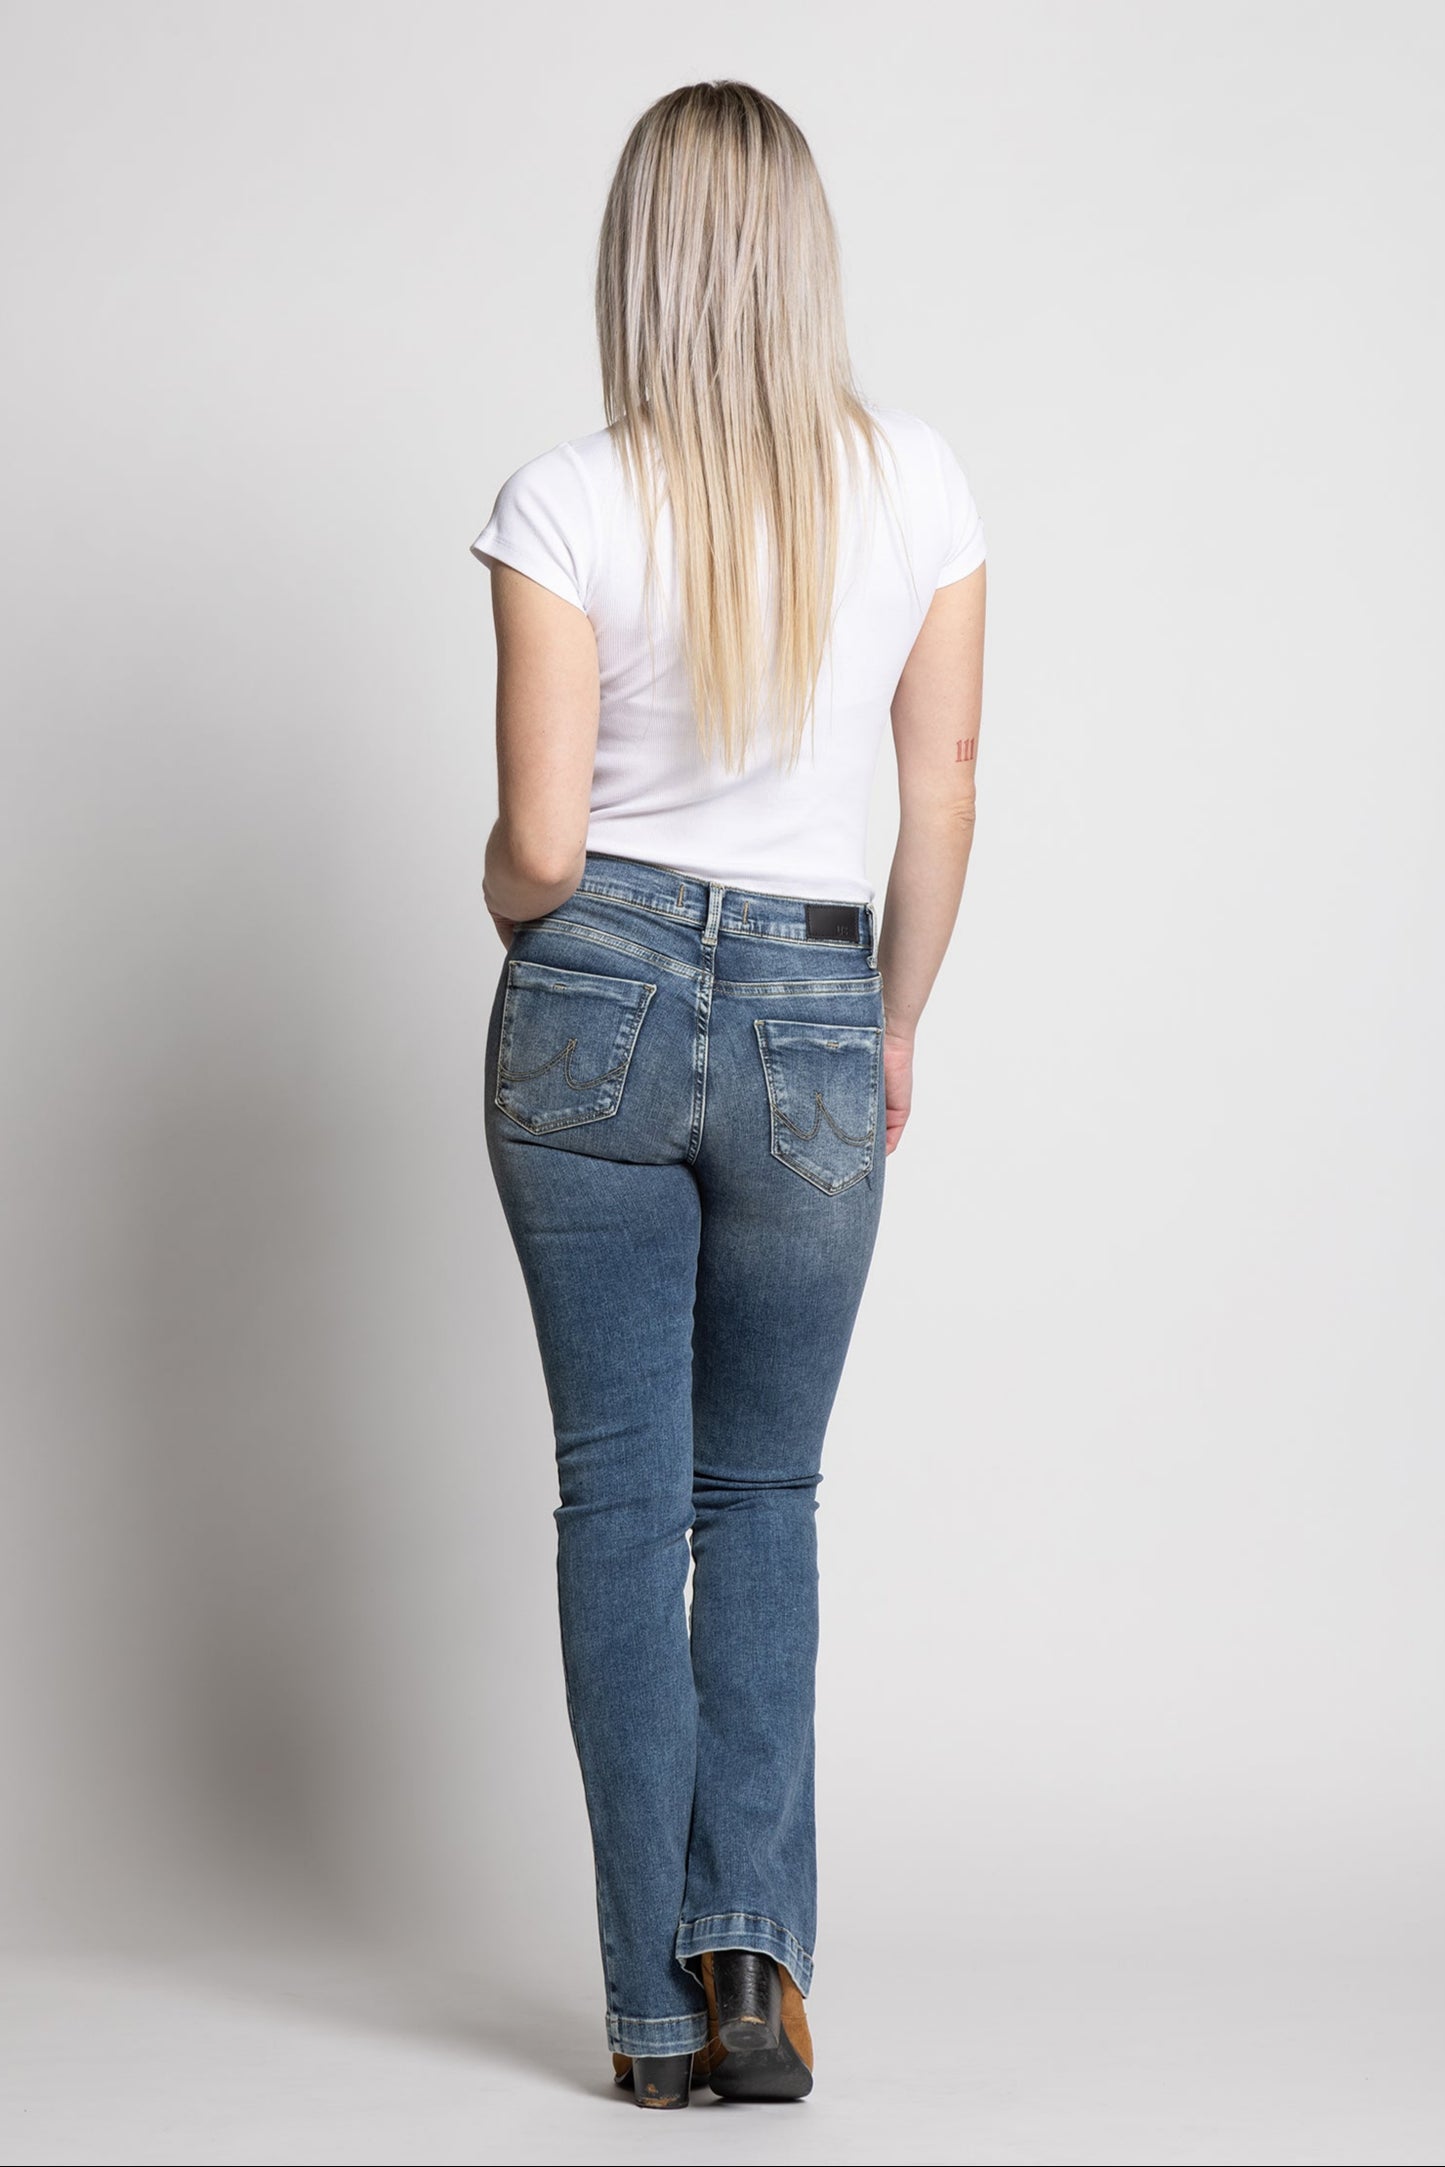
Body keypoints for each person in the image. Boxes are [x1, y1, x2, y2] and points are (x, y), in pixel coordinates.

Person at [470, 79, 986, 2109]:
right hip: (809, 1003)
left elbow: (539, 845)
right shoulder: (916, 486)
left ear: (640, 262)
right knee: (761, 1493)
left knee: (622, 1497)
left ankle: (647, 2017)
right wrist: (892, 1022)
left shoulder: (563, 502)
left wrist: (500, 890)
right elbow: (942, 792)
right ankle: (754, 1966)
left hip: (589, 996)